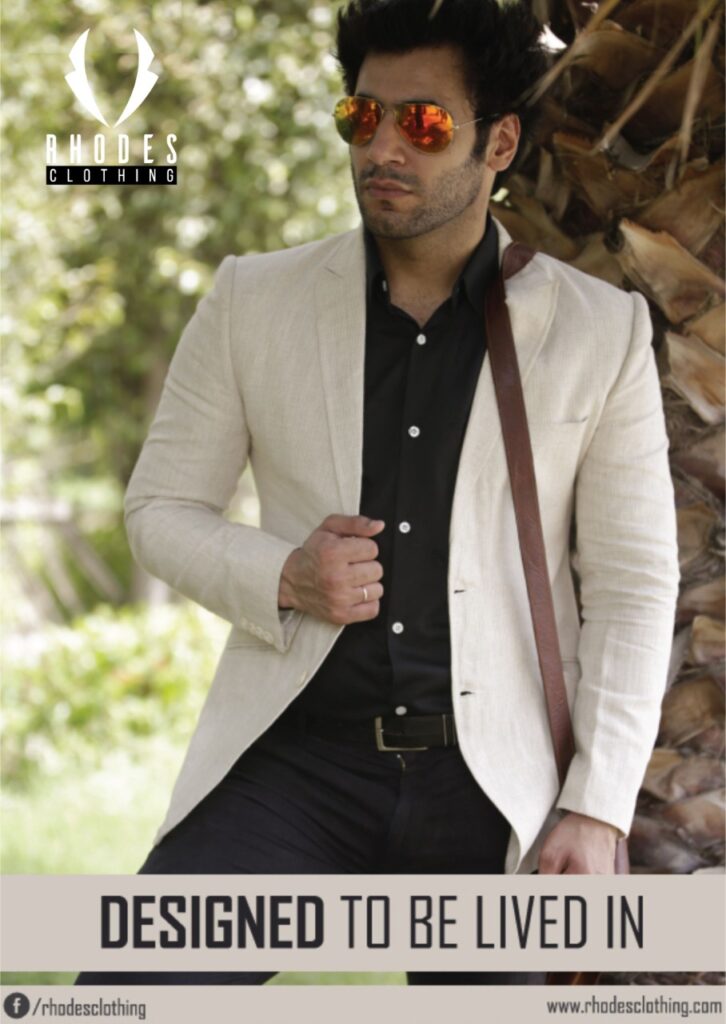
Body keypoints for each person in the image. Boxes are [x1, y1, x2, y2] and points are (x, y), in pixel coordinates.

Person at [76, 0, 680, 986]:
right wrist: (285, 574)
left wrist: (598, 806)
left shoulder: (596, 331)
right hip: (295, 767)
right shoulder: (252, 300)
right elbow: (159, 511)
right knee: (128, 997)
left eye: (424, 123)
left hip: (491, 785)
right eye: (362, 117)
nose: (383, 147)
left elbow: (633, 584)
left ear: (499, 144)